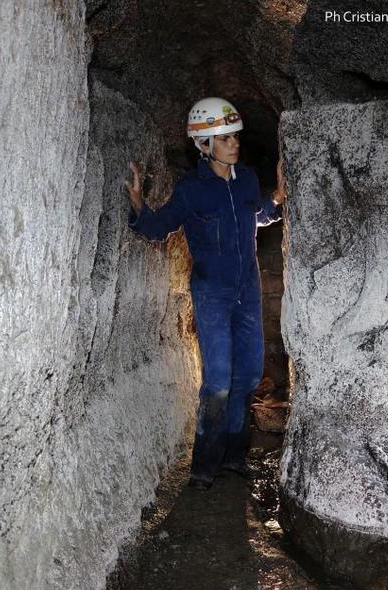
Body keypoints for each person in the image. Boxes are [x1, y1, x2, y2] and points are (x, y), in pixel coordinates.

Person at [125, 97, 286, 490]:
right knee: (218, 381)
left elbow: (257, 215)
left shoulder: (246, 178)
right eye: (225, 138)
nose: (234, 144)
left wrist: (277, 198)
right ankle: (204, 465)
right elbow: (159, 226)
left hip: (248, 290)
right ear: (204, 145)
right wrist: (138, 208)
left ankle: (233, 455)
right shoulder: (191, 191)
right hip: (212, 293)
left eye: (235, 137)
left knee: (247, 375)